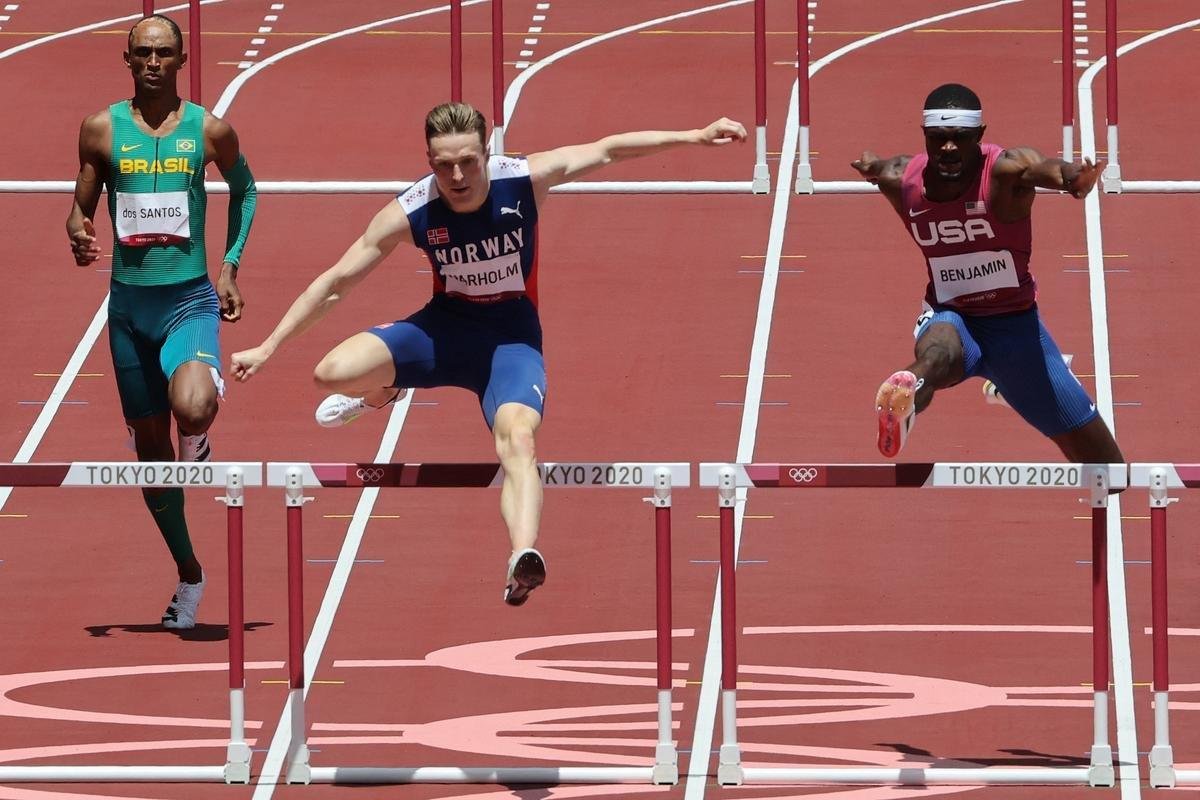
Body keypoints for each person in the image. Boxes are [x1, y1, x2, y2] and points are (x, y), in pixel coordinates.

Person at [231, 102, 745, 606]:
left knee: (518, 440)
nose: (456, 175)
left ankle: (523, 554)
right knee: (330, 374)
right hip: (444, 329)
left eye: (467, 161)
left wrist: (695, 136)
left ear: (487, 151)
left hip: (510, 341)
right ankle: (384, 391)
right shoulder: (412, 209)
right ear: (429, 160)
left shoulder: (523, 179)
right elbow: (338, 282)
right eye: (443, 164)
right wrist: (269, 347)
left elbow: (607, 150)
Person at [66, 14, 258, 629]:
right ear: (127, 58)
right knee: (152, 457)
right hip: (126, 310)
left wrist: (228, 266)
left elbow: (248, 191)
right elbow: (82, 203)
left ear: (181, 60)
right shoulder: (100, 129)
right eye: (143, 53)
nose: (153, 62)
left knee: (194, 406)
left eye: (164, 53)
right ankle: (189, 574)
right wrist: (77, 229)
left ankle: (197, 441)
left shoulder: (208, 130)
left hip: (187, 300)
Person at [850, 83, 1123, 465]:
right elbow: (882, 169)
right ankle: (904, 397)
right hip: (953, 318)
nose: (948, 148)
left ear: (979, 136)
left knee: (1108, 471)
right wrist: (871, 166)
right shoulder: (903, 181)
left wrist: (1071, 177)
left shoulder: (1004, 174)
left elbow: (1043, 168)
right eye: (938, 138)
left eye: (959, 138)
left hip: (1016, 331)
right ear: (925, 138)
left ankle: (1005, 386)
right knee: (937, 355)